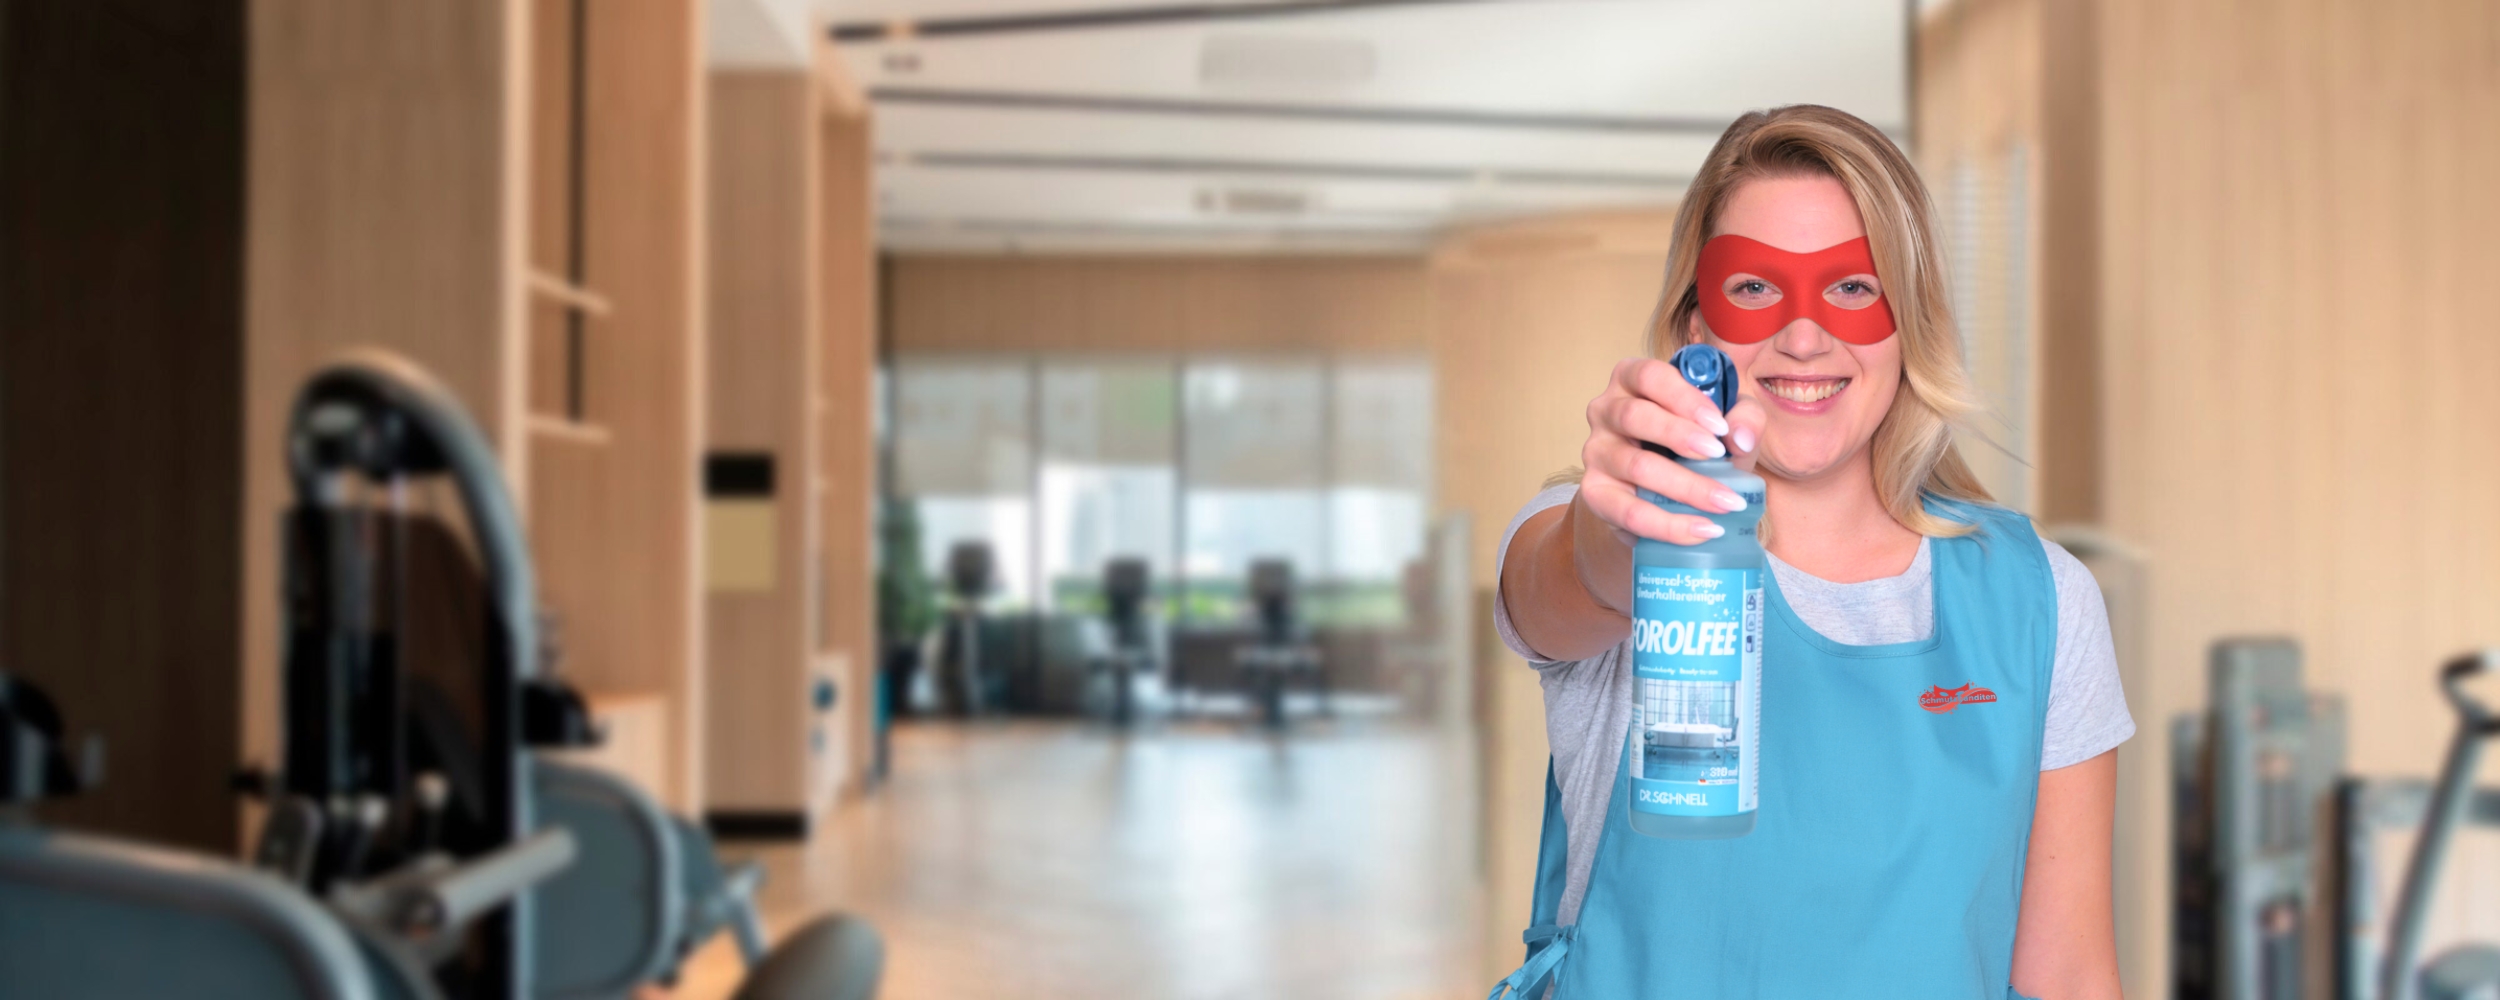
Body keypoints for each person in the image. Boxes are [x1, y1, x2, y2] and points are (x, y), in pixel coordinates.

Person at [1487, 104, 2131, 999]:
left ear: (1910, 321)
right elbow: (1572, 581)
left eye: (1853, 287)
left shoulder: (2042, 601)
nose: (1802, 336)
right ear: (1695, 324)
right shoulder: (1617, 542)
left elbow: (2069, 976)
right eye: (1754, 287)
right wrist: (1632, 532)